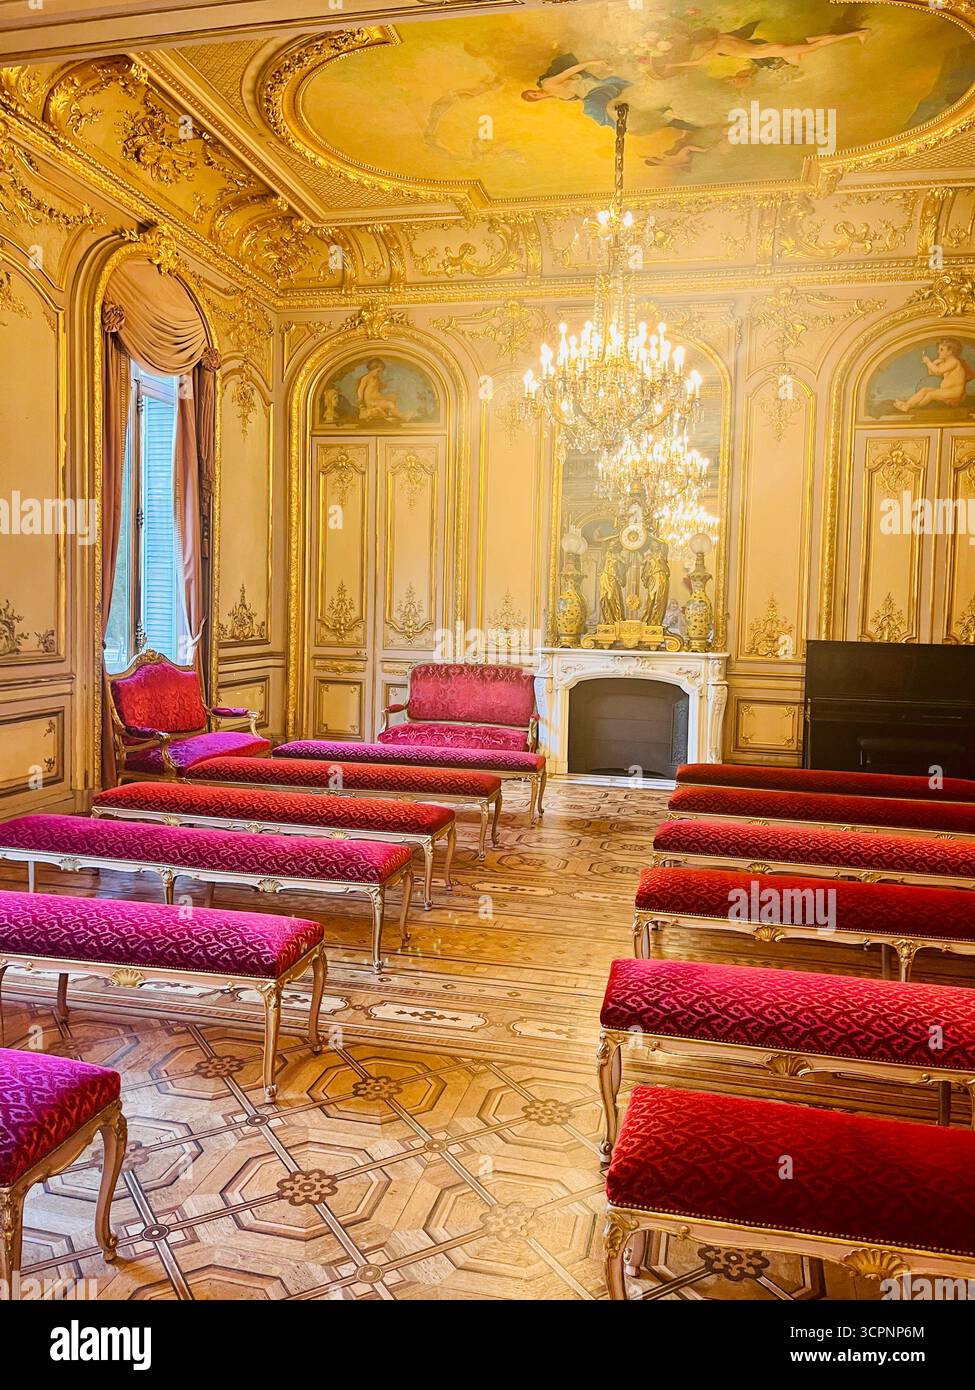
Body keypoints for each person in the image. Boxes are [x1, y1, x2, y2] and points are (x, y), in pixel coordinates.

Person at [894, 340, 975, 412]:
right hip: (946, 391)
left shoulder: (954, 362)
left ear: (950, 352)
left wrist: (928, 362)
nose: (938, 351)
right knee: (925, 390)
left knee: (931, 395)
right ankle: (907, 404)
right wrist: (935, 363)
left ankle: (909, 407)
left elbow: (937, 371)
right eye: (939, 349)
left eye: (941, 349)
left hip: (954, 392)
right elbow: (932, 373)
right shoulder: (945, 362)